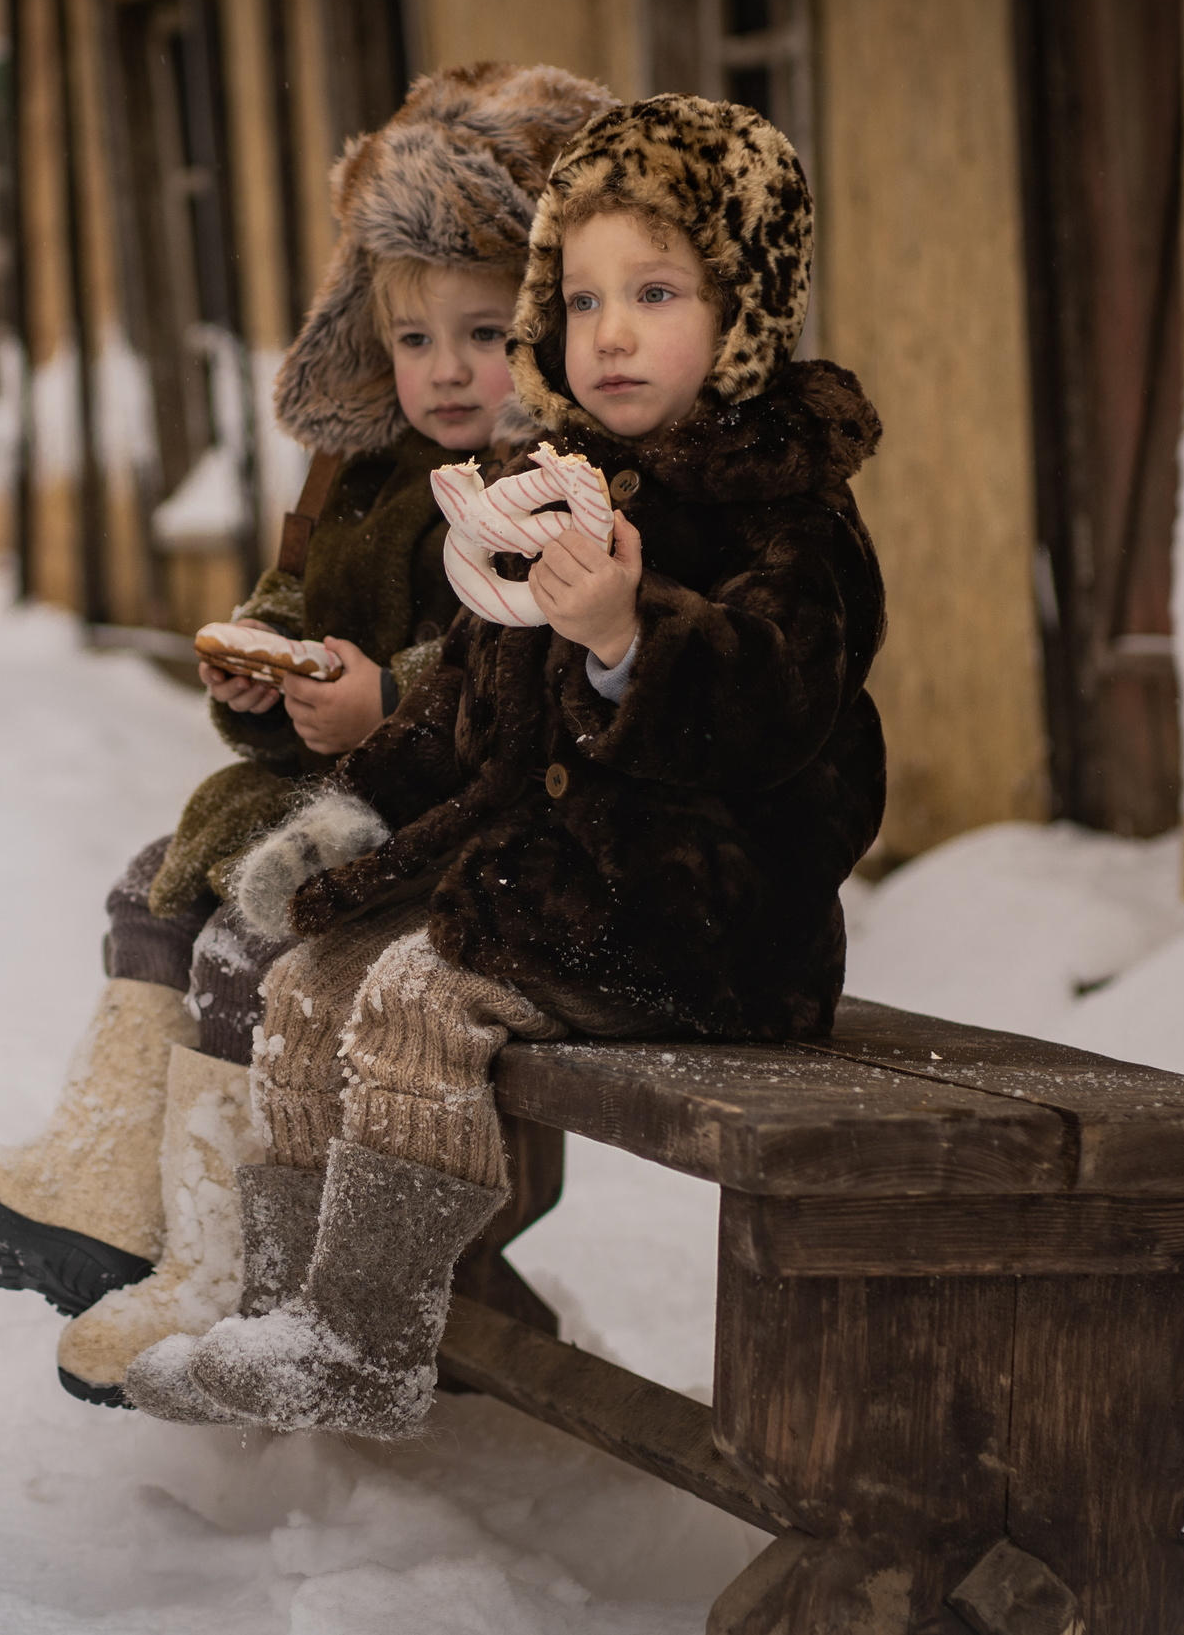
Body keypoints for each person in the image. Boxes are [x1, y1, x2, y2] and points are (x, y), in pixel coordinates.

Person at [124, 94, 890, 1439]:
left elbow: (781, 712)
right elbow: (472, 710)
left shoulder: (786, 516)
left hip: (713, 924)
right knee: (311, 979)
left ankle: (362, 1341)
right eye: (583, 299)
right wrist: (364, 799)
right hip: (564, 892)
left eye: (655, 293)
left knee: (423, 994)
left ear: (747, 312)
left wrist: (628, 640)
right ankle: (287, 1306)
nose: (611, 332)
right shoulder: (552, 484)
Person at [0, 62, 618, 1407]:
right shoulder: (370, 471)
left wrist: (384, 701)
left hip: (465, 829)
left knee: (251, 937)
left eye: (484, 335)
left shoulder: (541, 490)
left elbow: (512, 667)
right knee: (155, 882)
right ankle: (110, 1186)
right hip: (357, 799)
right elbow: (305, 595)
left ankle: (223, 1267)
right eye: (414, 340)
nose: (445, 370)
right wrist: (260, 653)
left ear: (545, 325)